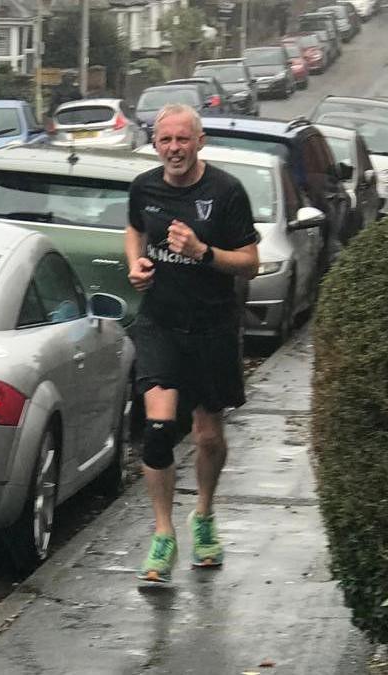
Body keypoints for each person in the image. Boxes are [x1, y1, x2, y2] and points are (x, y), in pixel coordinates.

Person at [124, 103, 260, 583]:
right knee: (158, 434)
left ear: (199, 142)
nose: (174, 149)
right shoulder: (144, 186)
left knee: (208, 437)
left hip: (212, 327)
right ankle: (163, 533)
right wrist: (136, 264)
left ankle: (202, 515)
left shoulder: (225, 192)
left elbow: (250, 262)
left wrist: (203, 253)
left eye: (183, 140)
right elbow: (135, 229)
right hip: (160, 322)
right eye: (166, 141)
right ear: (155, 144)